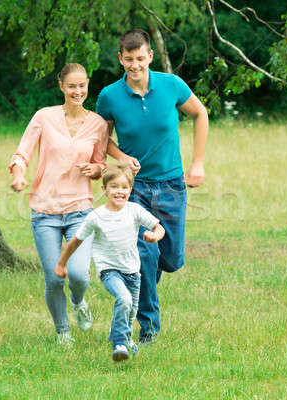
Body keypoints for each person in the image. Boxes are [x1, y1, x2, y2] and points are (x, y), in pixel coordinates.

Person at [96, 29, 209, 343]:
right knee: (144, 254)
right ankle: (148, 327)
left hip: (172, 184)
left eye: (140, 58)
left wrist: (197, 163)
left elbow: (200, 113)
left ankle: (142, 285)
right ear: (121, 58)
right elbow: (102, 138)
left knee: (170, 260)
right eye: (128, 59)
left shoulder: (172, 85)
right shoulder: (109, 96)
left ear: (150, 56)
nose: (135, 65)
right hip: (135, 188)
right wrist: (121, 156)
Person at [9, 63, 109, 345]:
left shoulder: (98, 124)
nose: (78, 91)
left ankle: (79, 302)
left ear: (88, 85)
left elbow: (100, 161)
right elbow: (22, 153)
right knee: (54, 278)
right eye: (72, 86)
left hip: (80, 210)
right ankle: (63, 331)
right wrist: (18, 177)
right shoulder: (44, 117)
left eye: (82, 86)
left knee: (78, 274)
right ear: (61, 87)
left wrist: (97, 169)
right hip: (45, 212)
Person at [55, 163, 165, 361]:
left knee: (131, 311)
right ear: (104, 189)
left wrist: (154, 236)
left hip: (132, 271)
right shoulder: (96, 216)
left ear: (130, 190)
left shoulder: (134, 210)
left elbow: (159, 227)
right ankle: (119, 342)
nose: (120, 191)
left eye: (124, 187)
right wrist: (62, 264)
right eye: (114, 187)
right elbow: (75, 242)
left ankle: (126, 337)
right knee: (123, 299)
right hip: (109, 270)